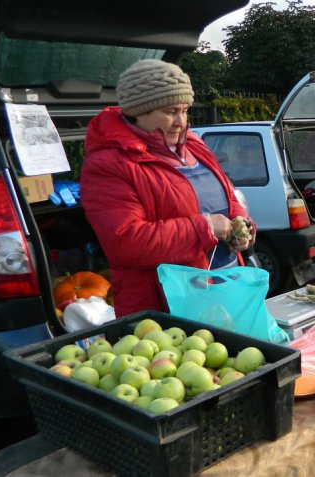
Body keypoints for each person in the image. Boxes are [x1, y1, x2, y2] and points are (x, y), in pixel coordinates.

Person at [80, 59, 255, 317]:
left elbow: (227, 194)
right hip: (167, 307)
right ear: (139, 111)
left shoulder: (193, 144)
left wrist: (241, 224)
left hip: (226, 291)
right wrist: (205, 228)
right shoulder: (108, 165)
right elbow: (126, 241)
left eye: (185, 110)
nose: (181, 122)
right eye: (171, 111)